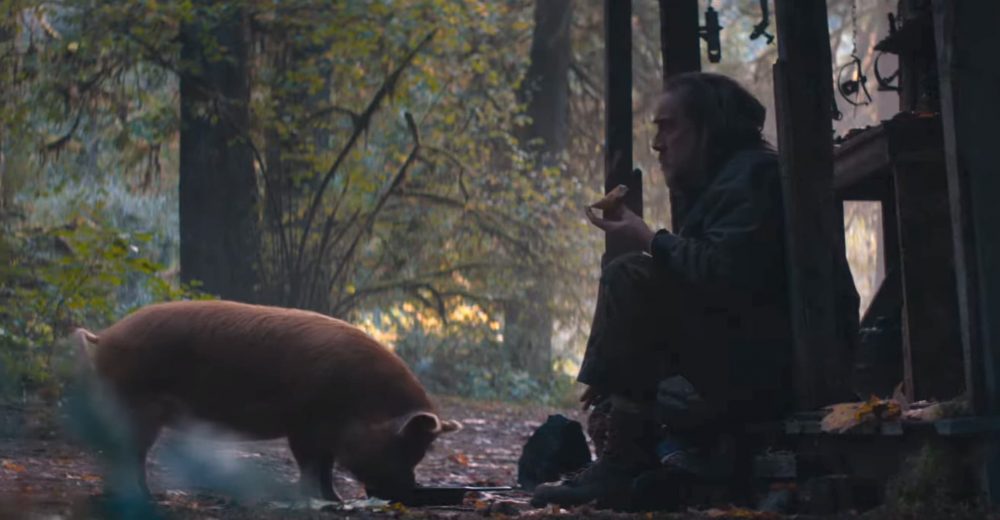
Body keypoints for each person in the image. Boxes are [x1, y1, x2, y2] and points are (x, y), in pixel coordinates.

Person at [531, 72, 859, 509]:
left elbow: (723, 274)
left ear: (709, 129)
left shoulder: (753, 176)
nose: (657, 144)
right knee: (619, 363)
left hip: (772, 368)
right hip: (747, 354)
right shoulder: (724, 182)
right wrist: (615, 373)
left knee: (629, 274)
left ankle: (623, 466)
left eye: (669, 127)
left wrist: (648, 237)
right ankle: (653, 467)